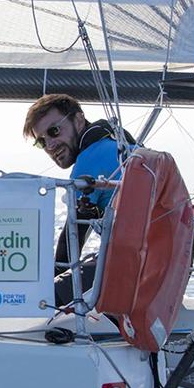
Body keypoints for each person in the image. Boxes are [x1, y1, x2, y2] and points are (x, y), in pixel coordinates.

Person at [22, 94, 134, 307]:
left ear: (79, 120)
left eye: (54, 131)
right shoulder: (117, 143)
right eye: (41, 142)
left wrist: (52, 289)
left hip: (137, 261)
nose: (50, 145)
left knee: (46, 299)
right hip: (164, 258)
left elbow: (71, 239)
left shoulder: (89, 161)